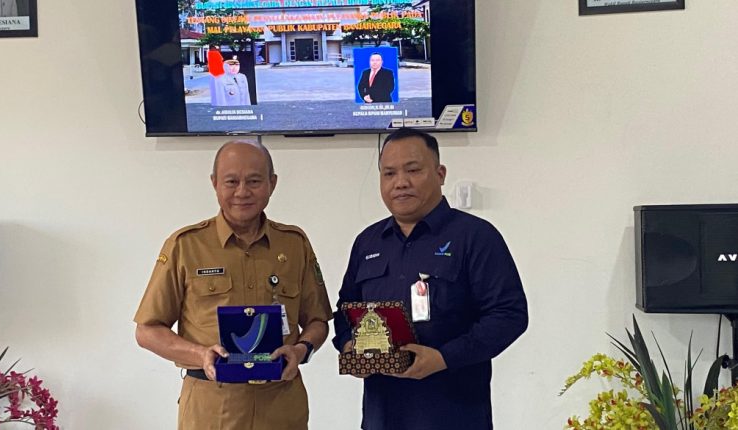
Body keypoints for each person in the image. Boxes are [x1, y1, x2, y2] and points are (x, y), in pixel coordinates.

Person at [332, 128, 528, 430]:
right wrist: (349, 347)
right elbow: (346, 309)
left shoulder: (475, 237)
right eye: (389, 173)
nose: (400, 182)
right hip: (382, 415)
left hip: (454, 415)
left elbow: (509, 315)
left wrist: (444, 358)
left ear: (440, 174)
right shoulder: (367, 242)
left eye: (413, 170)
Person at [135, 141, 333, 430]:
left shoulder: (294, 244)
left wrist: (302, 350)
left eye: (254, 181)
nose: (242, 192)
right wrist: (200, 355)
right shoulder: (185, 246)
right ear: (214, 183)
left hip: (281, 408)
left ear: (272, 183)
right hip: (211, 409)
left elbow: (318, 320)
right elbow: (147, 331)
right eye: (231, 182)